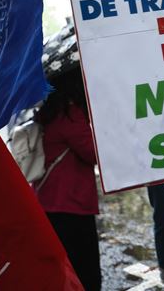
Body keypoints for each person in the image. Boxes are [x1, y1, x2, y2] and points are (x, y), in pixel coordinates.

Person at [34, 70, 101, 291]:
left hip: (48, 203)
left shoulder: (48, 114)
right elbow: (92, 153)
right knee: (86, 272)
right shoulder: (71, 114)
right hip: (72, 205)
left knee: (62, 270)